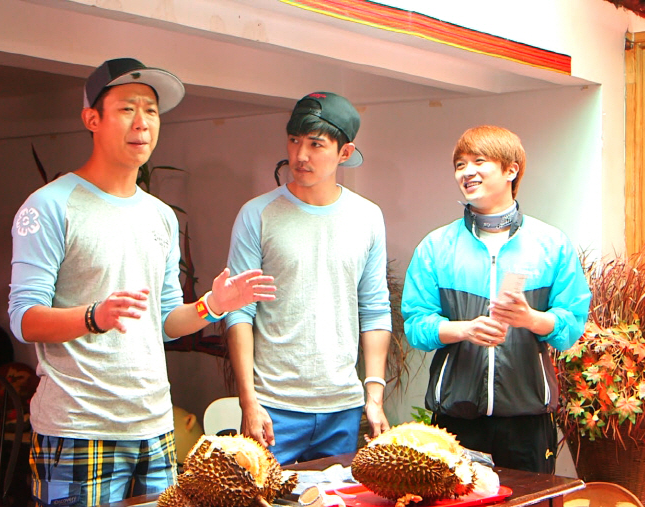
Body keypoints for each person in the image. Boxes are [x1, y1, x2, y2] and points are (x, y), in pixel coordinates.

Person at [8, 58, 276, 507]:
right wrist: (94, 316)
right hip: (78, 428)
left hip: (154, 428)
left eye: (151, 111)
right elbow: (24, 319)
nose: (142, 123)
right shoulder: (50, 206)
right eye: (127, 109)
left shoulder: (160, 216)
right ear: (92, 119)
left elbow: (166, 322)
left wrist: (213, 305)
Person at [401, 125, 591, 474]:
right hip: (456, 419)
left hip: (528, 420)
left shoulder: (551, 245)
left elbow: (570, 327)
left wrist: (531, 319)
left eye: (479, 161)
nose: (466, 172)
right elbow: (416, 326)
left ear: (511, 170)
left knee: (529, 504)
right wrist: (464, 329)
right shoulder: (436, 246)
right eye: (460, 165)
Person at [225, 91, 392, 466]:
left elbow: (375, 310)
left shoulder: (367, 217)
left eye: (316, 144)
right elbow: (239, 312)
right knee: (263, 497)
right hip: (273, 407)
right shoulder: (257, 214)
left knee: (340, 498)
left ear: (344, 153)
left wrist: (374, 397)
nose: (300, 155)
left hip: (343, 407)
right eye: (294, 140)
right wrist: (249, 401)